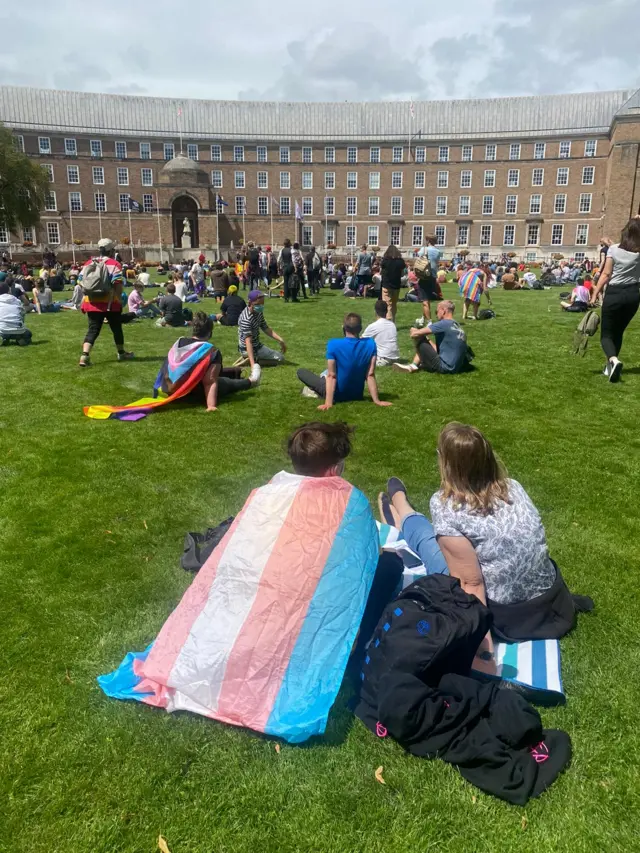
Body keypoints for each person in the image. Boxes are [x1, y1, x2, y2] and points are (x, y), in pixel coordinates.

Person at [378, 423, 592, 643]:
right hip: (552, 604)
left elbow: (471, 583)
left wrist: (483, 648)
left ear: (446, 462)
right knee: (449, 542)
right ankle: (402, 514)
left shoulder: (445, 505)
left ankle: (401, 509)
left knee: (429, 543)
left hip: (508, 619)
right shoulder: (513, 487)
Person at [159, 312, 259, 412]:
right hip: (191, 394)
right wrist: (211, 405)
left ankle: (236, 371)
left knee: (207, 371)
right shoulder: (211, 351)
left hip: (171, 391)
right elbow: (210, 382)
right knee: (225, 383)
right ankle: (251, 381)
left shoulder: (178, 343)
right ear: (210, 333)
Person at [297, 312, 392, 409]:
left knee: (301, 372)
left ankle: (315, 392)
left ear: (344, 327)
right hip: (356, 395)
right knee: (328, 372)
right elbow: (370, 374)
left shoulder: (333, 344)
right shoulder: (370, 344)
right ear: (360, 328)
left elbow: (332, 376)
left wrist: (328, 403)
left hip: (337, 394)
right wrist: (377, 401)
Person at [590, 218, 640, 382]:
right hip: (633, 295)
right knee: (618, 332)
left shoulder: (613, 249)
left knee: (606, 334)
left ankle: (613, 360)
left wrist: (595, 292)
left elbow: (606, 274)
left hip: (615, 294)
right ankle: (610, 367)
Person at [79, 237, 133, 367]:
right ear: (111, 251)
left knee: (93, 330)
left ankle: (84, 356)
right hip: (110, 302)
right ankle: (121, 353)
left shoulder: (88, 263)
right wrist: (119, 298)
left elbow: (80, 281)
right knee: (116, 328)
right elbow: (117, 283)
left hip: (91, 302)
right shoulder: (114, 264)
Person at [393, 300, 472, 375]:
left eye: (436, 311)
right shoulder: (456, 325)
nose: (436, 315)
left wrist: (414, 330)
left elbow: (414, 334)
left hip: (445, 367)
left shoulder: (443, 323)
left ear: (443, 310)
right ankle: (419, 363)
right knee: (424, 337)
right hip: (457, 367)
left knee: (419, 336)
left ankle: (413, 365)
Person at [237, 290, 287, 373]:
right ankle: (254, 360)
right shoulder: (246, 319)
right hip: (249, 348)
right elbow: (248, 342)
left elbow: (265, 328)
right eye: (258, 304)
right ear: (250, 303)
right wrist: (253, 365)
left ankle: (251, 359)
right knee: (280, 359)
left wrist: (280, 340)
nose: (260, 306)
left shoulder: (258, 311)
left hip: (257, 345)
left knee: (278, 356)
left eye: (262, 304)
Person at [362, 300, 400, 366]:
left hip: (383, 359)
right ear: (387, 311)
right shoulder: (392, 325)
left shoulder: (373, 326)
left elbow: (359, 341)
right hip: (395, 358)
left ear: (375, 312)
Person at [417, 236, 443, 322]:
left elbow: (419, 257)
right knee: (427, 299)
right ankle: (423, 318)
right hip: (433, 277)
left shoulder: (424, 249)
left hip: (424, 276)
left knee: (425, 301)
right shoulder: (438, 251)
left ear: (428, 240)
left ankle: (429, 321)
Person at [0, 280, 32, 344]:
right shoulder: (16, 300)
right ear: (9, 290)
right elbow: (22, 314)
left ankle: (5, 338)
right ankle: (19, 337)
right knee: (28, 333)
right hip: (18, 329)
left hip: (2, 330)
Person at [380, 244, 405, 322]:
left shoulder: (385, 261)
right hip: (396, 285)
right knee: (394, 304)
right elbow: (402, 274)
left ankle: (388, 321)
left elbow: (381, 272)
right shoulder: (401, 261)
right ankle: (392, 321)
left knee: (388, 304)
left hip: (386, 285)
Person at [278, 238, 298, 302]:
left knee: (286, 283)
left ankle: (286, 298)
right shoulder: (291, 250)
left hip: (284, 267)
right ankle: (293, 297)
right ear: (289, 243)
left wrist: (279, 268)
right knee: (292, 282)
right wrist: (295, 267)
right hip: (290, 267)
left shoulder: (282, 250)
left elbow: (279, 260)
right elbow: (293, 260)